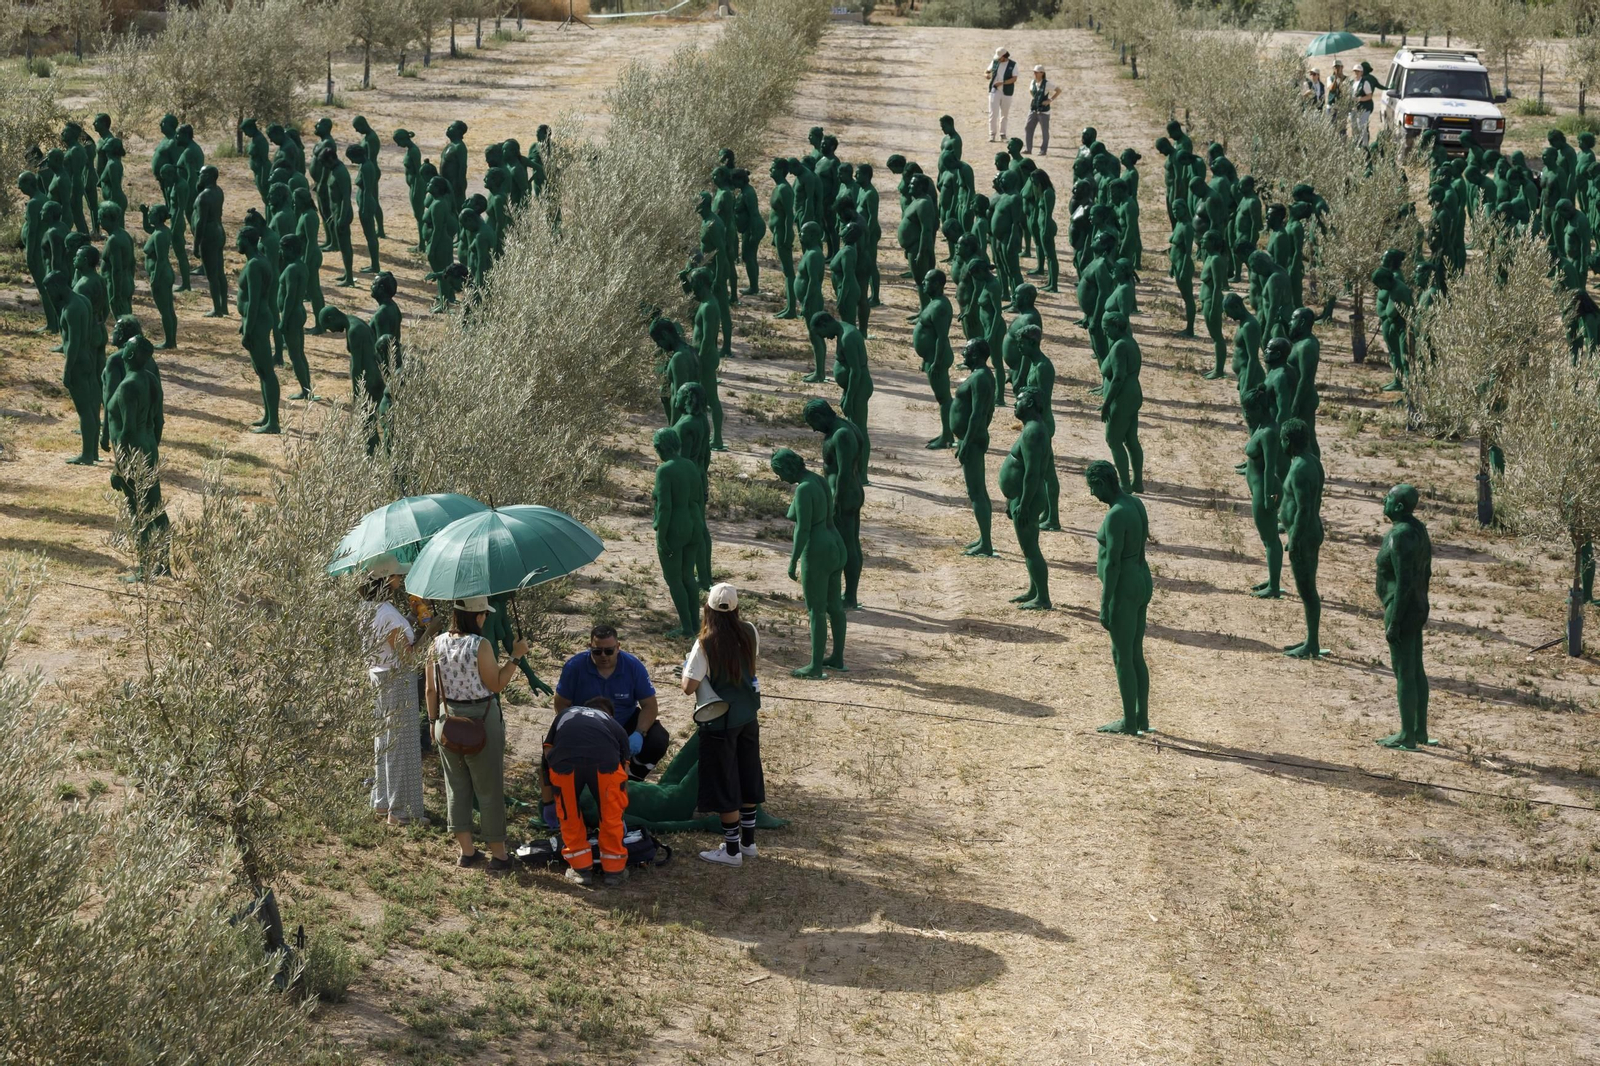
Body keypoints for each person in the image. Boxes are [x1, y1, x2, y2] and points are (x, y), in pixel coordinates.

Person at [425, 596, 527, 871]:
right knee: (489, 787)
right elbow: (495, 684)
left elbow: (431, 690)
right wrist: (516, 656)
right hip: (480, 718)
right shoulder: (479, 645)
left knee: (456, 786)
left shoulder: (435, 644)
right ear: (478, 616)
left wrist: (433, 722)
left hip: (446, 719)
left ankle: (467, 851)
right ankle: (500, 855)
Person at [681, 583, 765, 867]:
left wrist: (686, 670)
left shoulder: (704, 643)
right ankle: (748, 843)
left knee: (725, 782)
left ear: (708, 609)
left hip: (719, 722)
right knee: (748, 775)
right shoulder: (750, 631)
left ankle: (731, 851)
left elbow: (688, 687)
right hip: (747, 717)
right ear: (737, 608)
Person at [361, 554, 434, 827]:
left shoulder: (370, 608)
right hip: (396, 680)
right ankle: (401, 811)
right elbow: (408, 657)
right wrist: (430, 632)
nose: (400, 580)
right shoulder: (387, 614)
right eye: (397, 576)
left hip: (379, 676)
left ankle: (382, 803)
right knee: (401, 744)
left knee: (384, 741)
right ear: (386, 579)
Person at [553, 625, 668, 781]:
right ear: (589, 647)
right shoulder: (574, 667)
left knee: (658, 739)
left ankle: (634, 777)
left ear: (618, 647)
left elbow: (650, 705)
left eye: (609, 651)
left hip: (624, 721)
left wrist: (639, 733)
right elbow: (561, 704)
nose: (603, 656)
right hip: (587, 724)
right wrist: (574, 729)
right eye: (597, 651)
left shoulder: (634, 667)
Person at [542, 695, 632, 888]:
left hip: (564, 760)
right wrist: (618, 809)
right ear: (609, 715)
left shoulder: (565, 715)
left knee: (569, 814)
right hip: (605, 761)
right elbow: (623, 774)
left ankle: (580, 869)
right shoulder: (615, 726)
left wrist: (550, 802)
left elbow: (547, 756)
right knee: (610, 815)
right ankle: (614, 871)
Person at [1023, 65, 1060, 156]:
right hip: (1034, 109)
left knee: (1044, 131)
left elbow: (1058, 90)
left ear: (1042, 73)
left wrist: (1050, 100)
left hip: (1043, 111)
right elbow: (1031, 91)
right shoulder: (1033, 82)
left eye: (1036, 72)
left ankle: (1043, 150)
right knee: (1028, 127)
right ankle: (1028, 148)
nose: (1034, 74)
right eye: (1034, 72)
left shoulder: (1047, 83)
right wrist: (1035, 99)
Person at [985, 47, 1018, 143]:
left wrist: (1002, 82)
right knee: (993, 113)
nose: (998, 59)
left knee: (1004, 114)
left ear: (1004, 56)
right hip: (994, 91)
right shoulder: (995, 62)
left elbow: (1014, 78)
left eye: (1000, 57)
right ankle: (992, 134)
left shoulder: (1013, 65)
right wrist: (987, 75)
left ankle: (1002, 134)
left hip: (1007, 91)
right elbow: (987, 71)